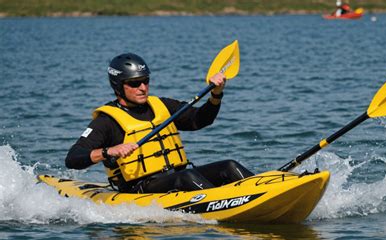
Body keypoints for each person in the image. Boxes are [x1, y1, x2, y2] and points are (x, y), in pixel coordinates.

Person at [65, 53, 254, 193]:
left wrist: (216, 94)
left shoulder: (161, 105)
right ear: (118, 86)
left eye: (145, 81)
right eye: (135, 83)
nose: (143, 88)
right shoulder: (107, 121)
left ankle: (263, 190)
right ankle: (223, 201)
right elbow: (73, 158)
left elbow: (200, 120)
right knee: (187, 177)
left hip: (177, 177)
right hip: (141, 187)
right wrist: (109, 151)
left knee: (229, 166)